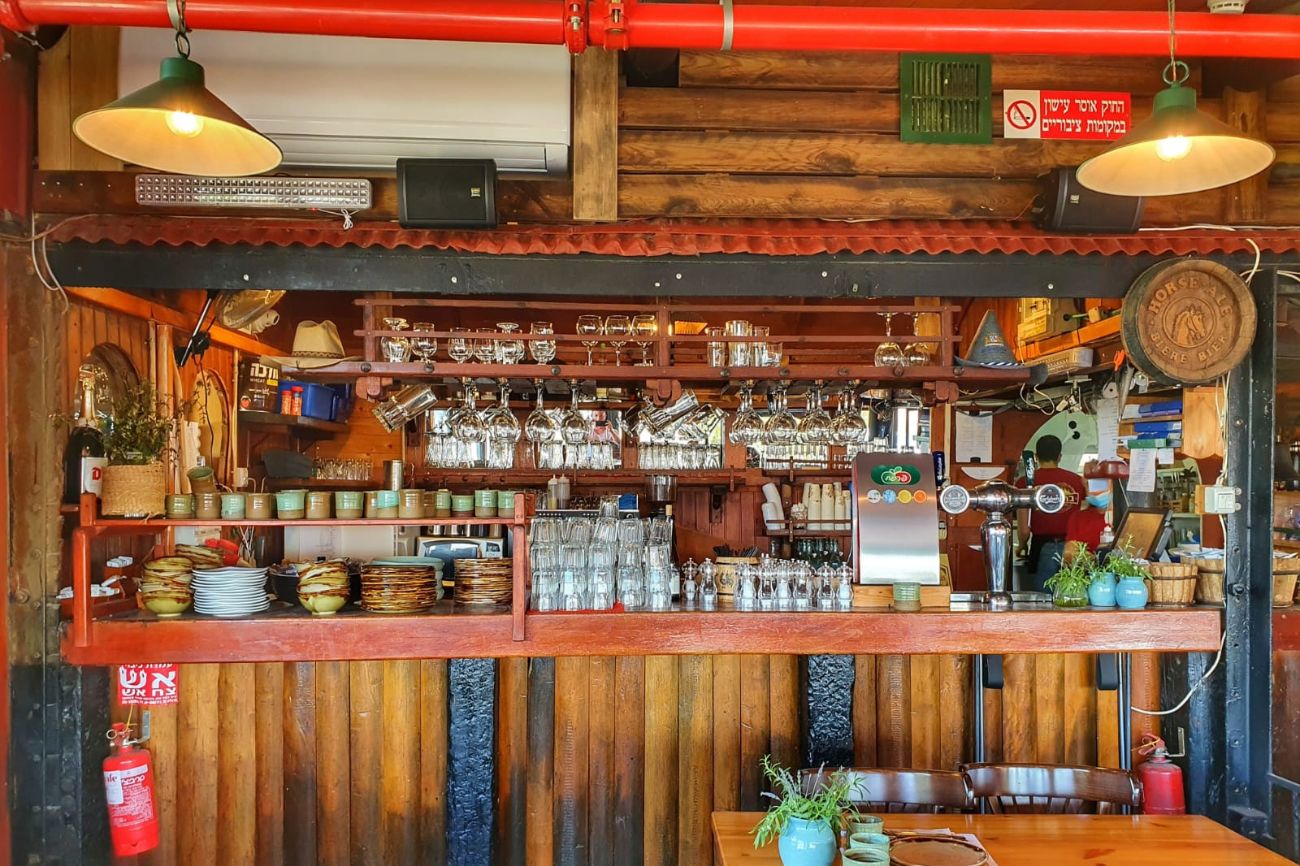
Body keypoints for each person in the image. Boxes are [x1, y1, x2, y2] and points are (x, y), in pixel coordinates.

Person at [1016, 434, 1083, 593]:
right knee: (1071, 597)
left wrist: (1022, 545)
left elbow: (1024, 530)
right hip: (1072, 547)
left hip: (1040, 547)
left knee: (1043, 600)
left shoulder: (1025, 483)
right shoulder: (1078, 481)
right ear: (1059, 456)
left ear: (1036, 457)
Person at [1066, 462, 1112, 555]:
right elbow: (1070, 552)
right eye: (1089, 485)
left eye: (1100, 485)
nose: (1095, 491)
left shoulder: (1125, 518)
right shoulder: (1078, 518)